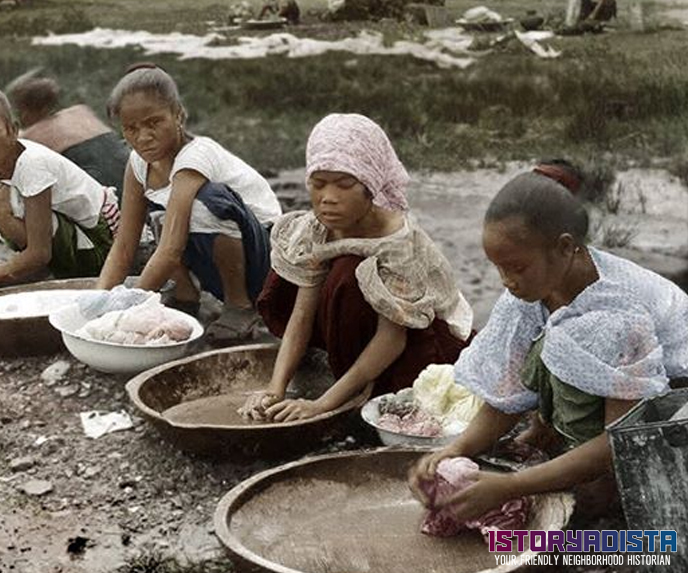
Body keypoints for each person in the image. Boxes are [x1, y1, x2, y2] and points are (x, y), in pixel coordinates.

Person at [407, 170, 688, 521]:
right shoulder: (533, 289)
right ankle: (554, 438)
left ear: (566, 247)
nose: (507, 281)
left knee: (585, 511)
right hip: (618, 395)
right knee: (545, 340)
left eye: (517, 267)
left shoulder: (619, 314)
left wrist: (511, 486)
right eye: (499, 268)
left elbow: (620, 441)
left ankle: (606, 491)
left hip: (670, 409)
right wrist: (455, 449)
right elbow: (504, 393)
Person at [239, 114, 473, 422]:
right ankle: (344, 372)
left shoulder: (397, 243)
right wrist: (274, 389)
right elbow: (301, 314)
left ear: (371, 185)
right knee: (299, 275)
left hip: (418, 340)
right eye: (318, 184)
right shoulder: (318, 229)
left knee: (347, 274)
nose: (328, 199)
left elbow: (392, 339)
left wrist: (322, 405)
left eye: (344, 185)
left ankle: (358, 387)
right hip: (359, 325)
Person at [95, 64, 283, 341]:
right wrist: (100, 303)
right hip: (218, 259)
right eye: (131, 129)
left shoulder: (195, 157)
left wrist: (128, 309)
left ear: (178, 114)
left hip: (265, 263)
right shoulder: (138, 164)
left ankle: (240, 304)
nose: (143, 137)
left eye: (153, 123)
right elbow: (124, 245)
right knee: (163, 219)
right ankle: (185, 297)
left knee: (199, 205)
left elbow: (171, 250)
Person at [0, 87, 120, 300]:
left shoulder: (32, 164)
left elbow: (39, 252)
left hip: (101, 243)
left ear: (13, 130)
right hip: (64, 236)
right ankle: (38, 268)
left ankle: (52, 270)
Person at [6, 70, 130, 200]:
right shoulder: (83, 113)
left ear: (25, 111)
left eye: (19, 110)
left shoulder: (33, 137)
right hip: (136, 194)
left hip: (107, 203)